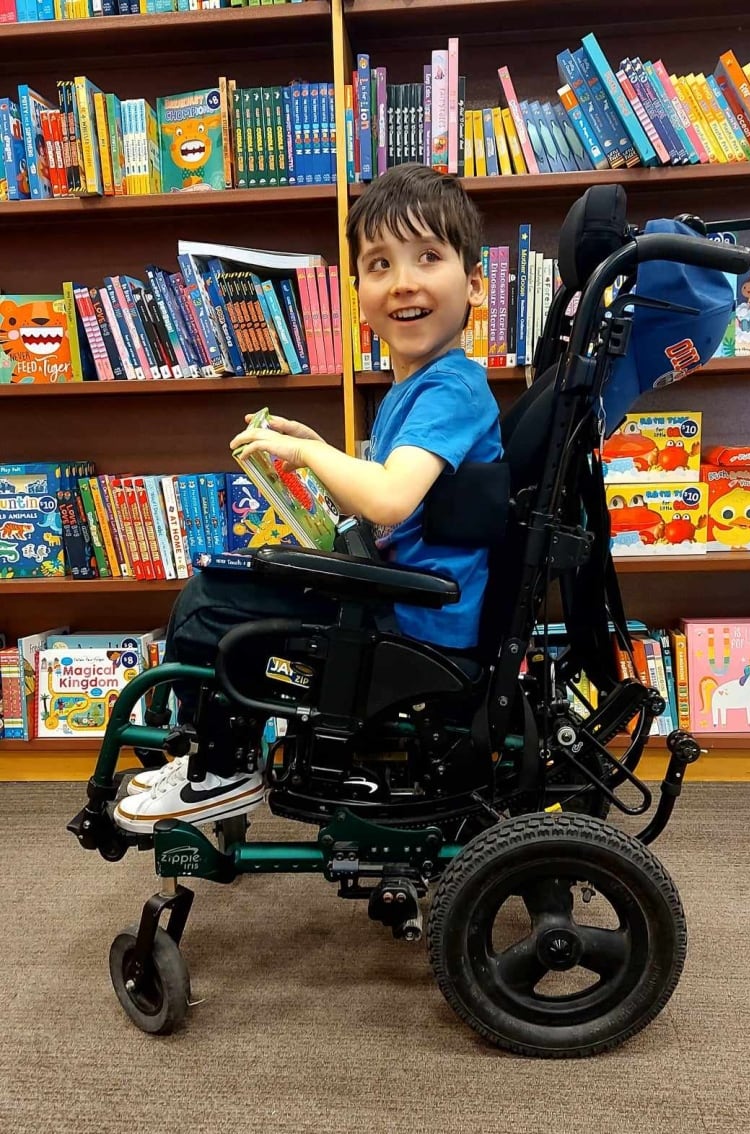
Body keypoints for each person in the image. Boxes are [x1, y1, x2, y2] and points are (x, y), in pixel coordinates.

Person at [114, 162, 502, 834]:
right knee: (229, 578)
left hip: (416, 622)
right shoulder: (424, 389)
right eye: (380, 264)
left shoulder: (450, 391)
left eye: (428, 258)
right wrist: (320, 448)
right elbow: (384, 489)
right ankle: (210, 752)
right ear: (359, 292)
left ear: (472, 284)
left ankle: (217, 766)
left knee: (211, 605)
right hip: (405, 598)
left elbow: (389, 500)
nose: (404, 281)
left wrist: (310, 454)